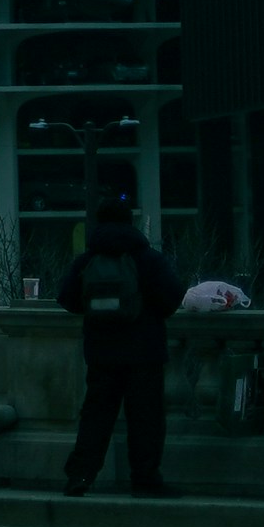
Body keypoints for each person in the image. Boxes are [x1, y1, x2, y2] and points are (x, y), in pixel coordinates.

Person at [56, 196, 180, 498]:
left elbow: (67, 298)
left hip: (101, 353)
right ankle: (145, 478)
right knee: (146, 417)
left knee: (96, 416)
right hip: (144, 352)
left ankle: (80, 476)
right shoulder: (148, 258)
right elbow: (173, 297)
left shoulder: (87, 260)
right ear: (130, 221)